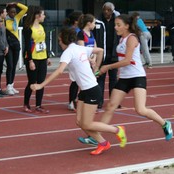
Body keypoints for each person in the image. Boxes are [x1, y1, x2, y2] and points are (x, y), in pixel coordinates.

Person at [30, 27, 127, 155]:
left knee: (87, 123)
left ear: (64, 40)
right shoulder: (80, 48)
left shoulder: (69, 52)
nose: (59, 43)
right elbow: (100, 50)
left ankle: (117, 130)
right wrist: (96, 66)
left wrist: (41, 85)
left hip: (92, 89)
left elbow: (59, 71)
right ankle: (103, 143)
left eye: (59, 41)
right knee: (80, 122)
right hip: (85, 90)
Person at [97, 14, 173, 143]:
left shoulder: (131, 39)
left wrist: (107, 67)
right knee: (110, 106)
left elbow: (127, 61)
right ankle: (97, 135)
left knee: (140, 109)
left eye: (118, 25)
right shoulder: (121, 39)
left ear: (127, 26)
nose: (115, 27)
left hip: (137, 77)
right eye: (115, 25)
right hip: (125, 78)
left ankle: (164, 123)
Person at [22, 5, 51, 113]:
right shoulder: (28, 28)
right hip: (33, 58)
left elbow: (43, 42)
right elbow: (28, 46)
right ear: (37, 16)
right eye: (43, 14)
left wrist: (47, 57)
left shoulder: (41, 27)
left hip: (42, 57)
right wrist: (30, 61)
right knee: (32, 81)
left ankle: (38, 105)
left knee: (41, 82)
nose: (44, 16)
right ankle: (26, 104)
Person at [94, 2, 120, 109]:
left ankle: (114, 101)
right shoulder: (98, 21)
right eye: (104, 9)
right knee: (100, 78)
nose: (106, 12)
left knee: (114, 79)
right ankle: (99, 101)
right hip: (102, 55)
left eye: (108, 10)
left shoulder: (118, 21)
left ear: (112, 11)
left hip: (114, 54)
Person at [4, 2, 28, 95]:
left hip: (16, 44)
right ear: (8, 12)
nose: (13, 14)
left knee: (14, 66)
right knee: (9, 65)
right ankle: (8, 86)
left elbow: (25, 9)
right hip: (8, 45)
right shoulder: (5, 20)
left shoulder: (17, 18)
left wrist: (16, 3)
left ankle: (11, 85)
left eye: (14, 12)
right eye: (11, 12)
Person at [63, 11, 82, 111]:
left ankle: (74, 100)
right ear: (76, 21)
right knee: (75, 80)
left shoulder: (79, 30)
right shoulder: (73, 31)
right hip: (73, 57)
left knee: (77, 80)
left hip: (78, 56)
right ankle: (71, 101)